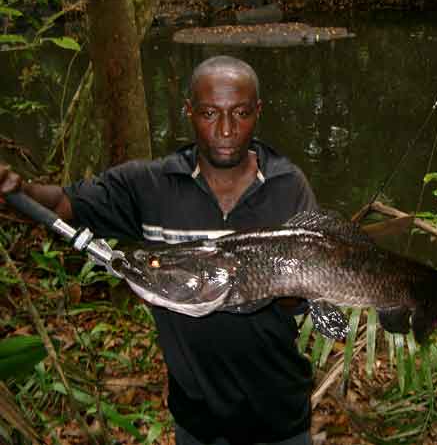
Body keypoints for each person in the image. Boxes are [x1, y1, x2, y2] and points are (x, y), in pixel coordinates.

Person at [0, 55, 316, 445]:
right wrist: (18, 190)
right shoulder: (150, 186)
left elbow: (304, 301)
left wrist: (286, 287)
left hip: (279, 414)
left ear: (258, 111)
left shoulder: (288, 185)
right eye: (209, 113)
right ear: (189, 111)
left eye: (241, 113)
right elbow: (64, 204)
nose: (226, 129)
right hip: (197, 419)